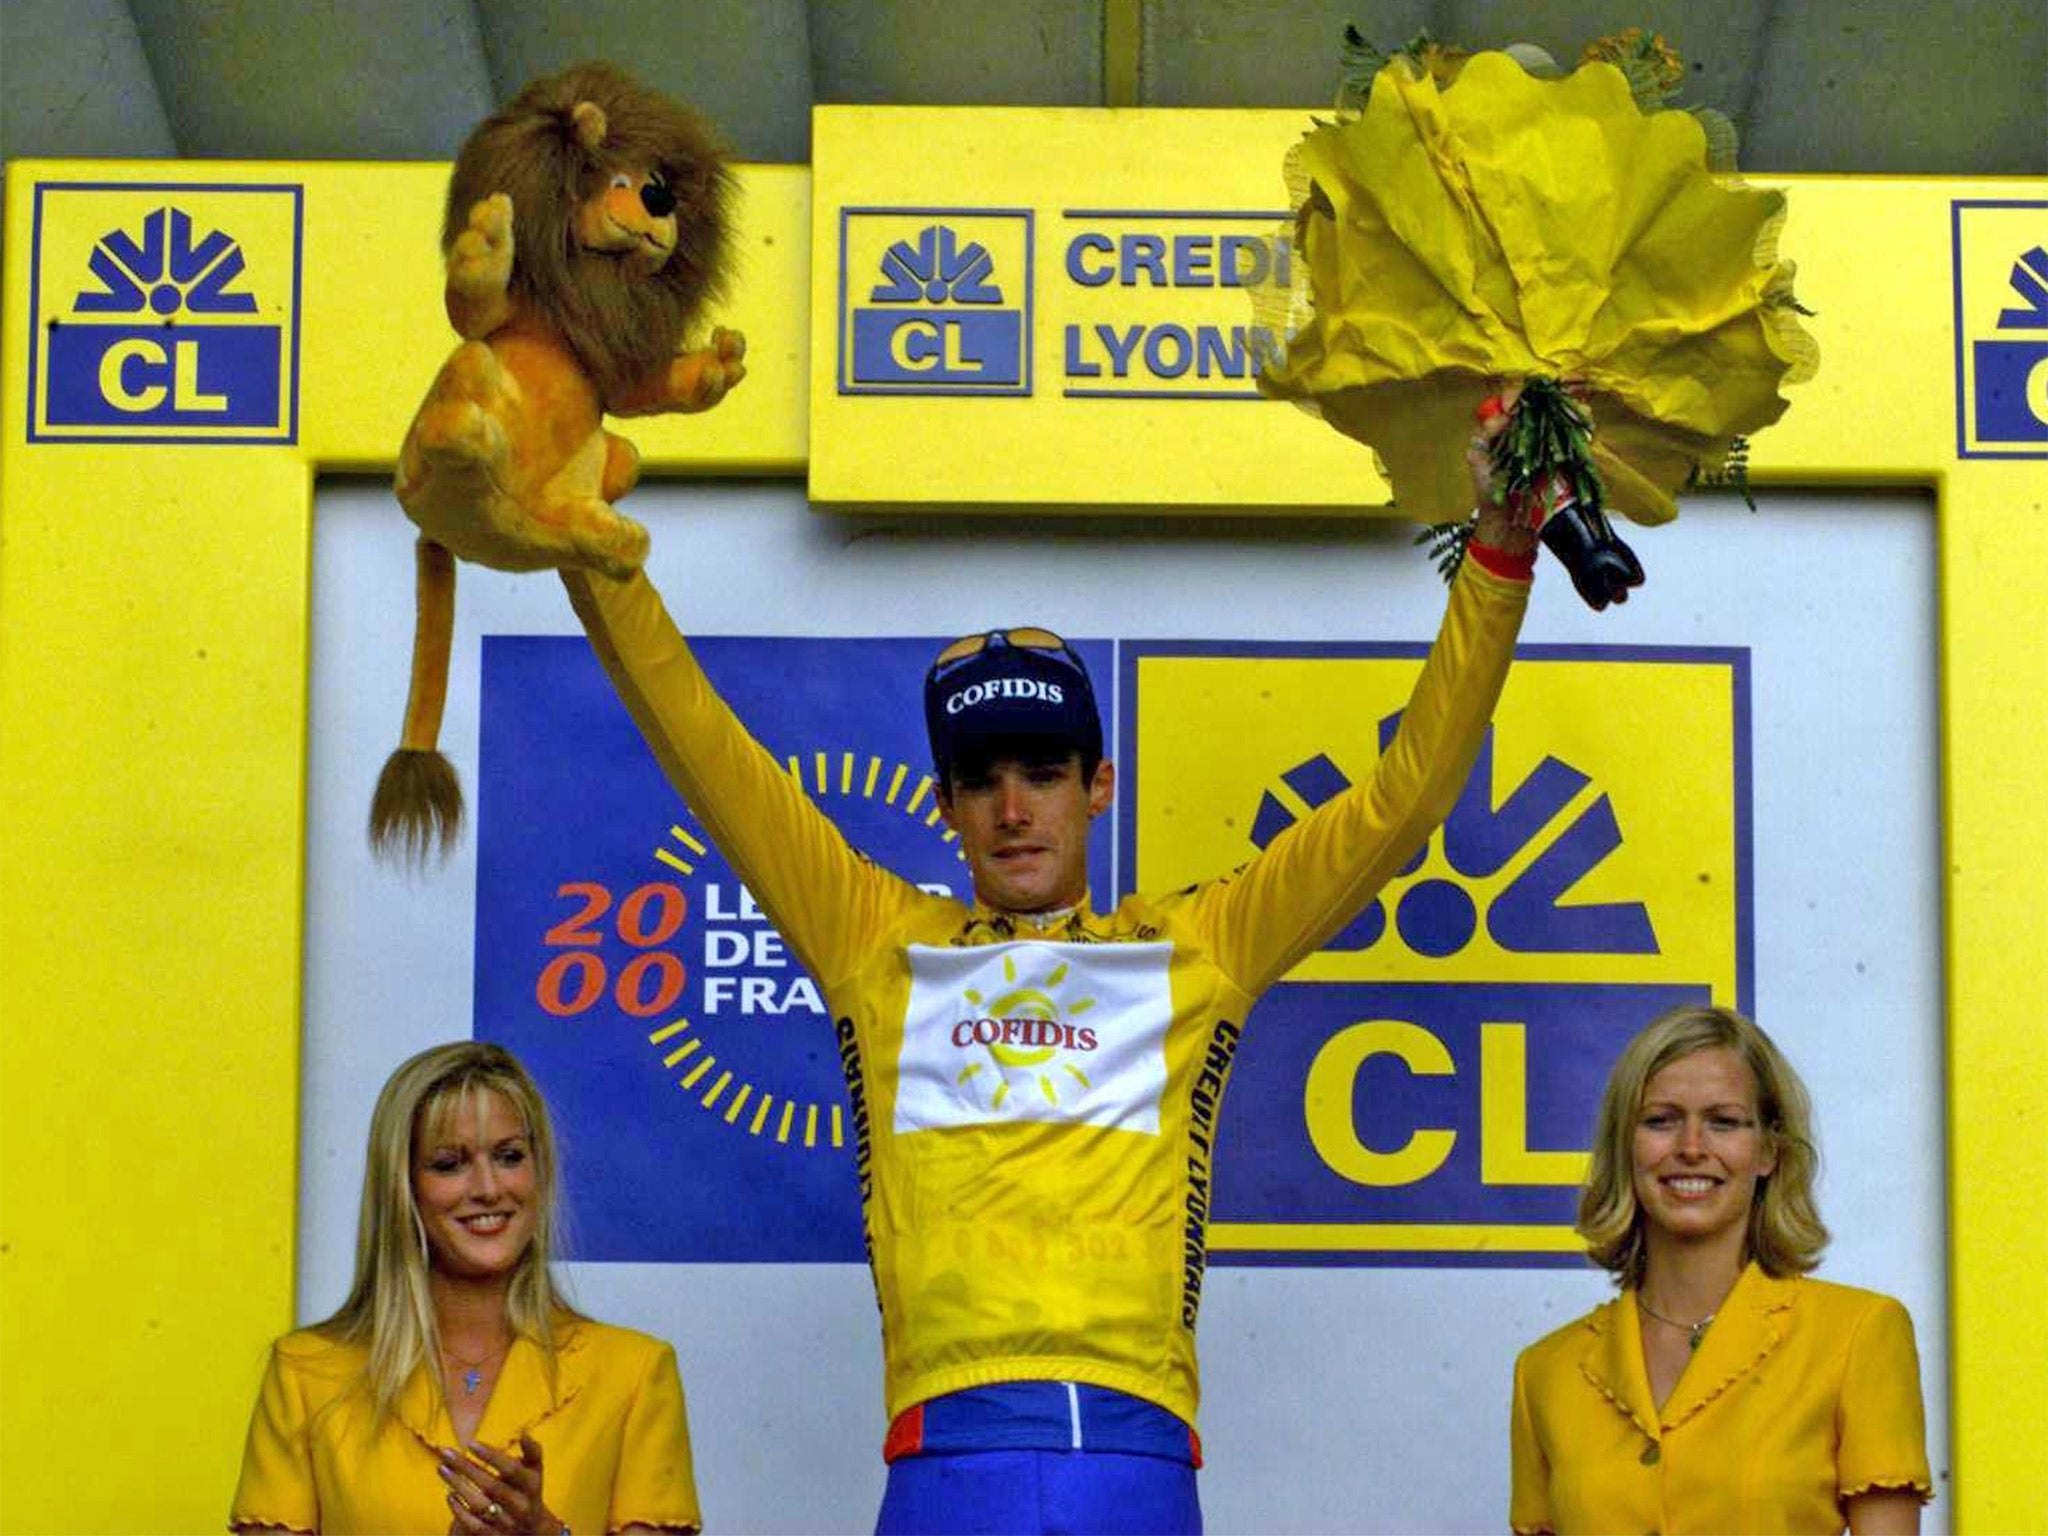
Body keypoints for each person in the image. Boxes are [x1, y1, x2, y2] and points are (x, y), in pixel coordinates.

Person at [559, 413, 1538, 1534]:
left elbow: (1399, 804)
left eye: (1042, 772)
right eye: (980, 783)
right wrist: (588, 549)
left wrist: (1496, 561)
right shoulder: (872, 938)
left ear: (1098, 785)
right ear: (945, 807)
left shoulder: (1195, 947)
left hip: (1135, 1456)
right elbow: (704, 748)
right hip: (942, 1457)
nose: (1013, 810)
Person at [229, 1042, 702, 1535]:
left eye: (509, 1156)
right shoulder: (306, 1375)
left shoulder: (634, 1373)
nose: (488, 1188)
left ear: (539, 1174)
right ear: (403, 1187)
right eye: (450, 1163)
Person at [1510, 1004, 1932, 1535]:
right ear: (1625, 1147)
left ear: (1769, 1152)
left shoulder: (1859, 1335)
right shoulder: (1545, 1372)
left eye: (1723, 1122)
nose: (1690, 1148)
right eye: (1660, 1121)